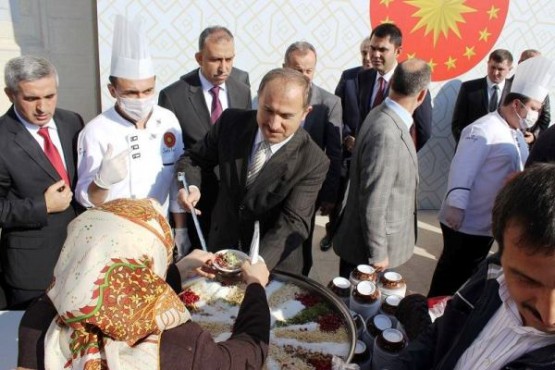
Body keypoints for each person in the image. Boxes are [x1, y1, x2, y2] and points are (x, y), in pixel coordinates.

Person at [17, 198, 270, 369]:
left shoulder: (40, 317)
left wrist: (177, 272)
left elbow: (114, 290)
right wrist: (256, 286)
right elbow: (245, 355)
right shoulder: (175, 343)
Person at [399, 163, 555, 369]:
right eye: (526, 280)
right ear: (502, 256)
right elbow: (440, 337)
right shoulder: (491, 275)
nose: (549, 316)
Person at [176, 68, 329, 274]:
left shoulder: (313, 160)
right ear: (259, 99)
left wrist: (258, 264)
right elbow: (194, 158)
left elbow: (293, 222)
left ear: (305, 113)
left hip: (272, 264)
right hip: (221, 249)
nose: (274, 124)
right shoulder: (231, 123)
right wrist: (191, 186)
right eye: (268, 110)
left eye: (286, 116)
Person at [427, 56, 554, 298]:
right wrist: (457, 206)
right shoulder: (483, 129)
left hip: (487, 222)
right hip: (465, 221)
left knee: (467, 275)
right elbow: (462, 169)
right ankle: (429, 312)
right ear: (517, 104)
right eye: (535, 108)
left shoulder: (516, 133)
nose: (537, 115)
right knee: (450, 274)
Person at [75, 16, 190, 259]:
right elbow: (88, 200)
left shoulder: (167, 120)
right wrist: (102, 182)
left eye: (148, 90)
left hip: (160, 231)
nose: (141, 98)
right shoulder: (96, 131)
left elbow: (176, 178)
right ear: (113, 91)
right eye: (131, 92)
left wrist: (181, 229)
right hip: (114, 239)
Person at [332, 58, 431, 277]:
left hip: (370, 245)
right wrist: (378, 254)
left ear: (393, 81)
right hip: (369, 254)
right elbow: (374, 201)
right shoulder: (388, 133)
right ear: (422, 95)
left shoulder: (381, 111)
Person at [0, 55, 83, 309]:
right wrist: (42, 205)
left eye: (50, 96)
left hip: (79, 259)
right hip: (32, 272)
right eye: (31, 98)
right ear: (10, 94)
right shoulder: (2, 137)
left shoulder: (72, 122)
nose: (43, 108)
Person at [158, 26, 252, 249]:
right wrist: (179, 225)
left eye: (229, 59)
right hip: (195, 200)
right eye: (215, 59)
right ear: (199, 58)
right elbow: (171, 157)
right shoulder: (173, 96)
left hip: (232, 201)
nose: (224, 67)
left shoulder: (242, 90)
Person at [282, 41, 342, 275]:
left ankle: (301, 279)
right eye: (298, 70)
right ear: (284, 66)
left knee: (301, 239)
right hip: (276, 181)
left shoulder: (329, 103)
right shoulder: (272, 95)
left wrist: (330, 194)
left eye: (309, 70)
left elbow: (334, 153)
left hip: (309, 187)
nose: (304, 76)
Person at [319, 36, 374, 253]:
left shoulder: (389, 82)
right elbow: (336, 112)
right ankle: (331, 232)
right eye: (364, 53)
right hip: (347, 152)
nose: (368, 57)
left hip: (370, 154)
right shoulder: (349, 77)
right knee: (338, 196)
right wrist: (347, 136)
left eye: (371, 52)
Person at [357, 23, 432, 152]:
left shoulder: (411, 81)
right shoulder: (363, 78)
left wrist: (401, 154)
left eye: (382, 50)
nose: (375, 54)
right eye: (372, 48)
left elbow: (424, 131)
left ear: (398, 51)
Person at [451, 49, 514, 143]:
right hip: (470, 149)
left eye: (500, 69)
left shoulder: (514, 91)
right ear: (488, 64)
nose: (495, 72)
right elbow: (457, 124)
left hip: (500, 152)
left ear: (510, 69)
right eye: (492, 67)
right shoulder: (469, 88)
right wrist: (466, 144)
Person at [517, 49, 551, 144]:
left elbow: (545, 118)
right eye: (532, 64)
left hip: (525, 143)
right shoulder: (505, 84)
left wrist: (535, 136)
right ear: (520, 63)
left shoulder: (541, 91)